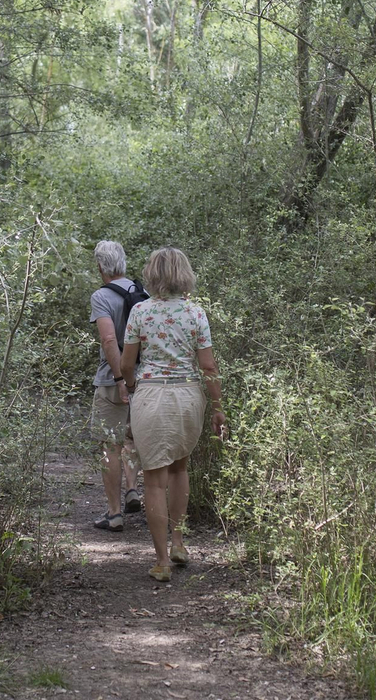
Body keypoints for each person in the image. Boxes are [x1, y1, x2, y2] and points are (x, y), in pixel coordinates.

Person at [119, 247, 225, 581]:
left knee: (153, 477)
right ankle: (179, 543)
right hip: (188, 397)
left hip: (152, 396)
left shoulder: (140, 312)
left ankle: (162, 561)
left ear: (152, 274)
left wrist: (132, 385)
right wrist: (218, 407)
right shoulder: (196, 313)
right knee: (180, 467)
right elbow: (207, 365)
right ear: (184, 274)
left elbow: (126, 363)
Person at [88, 240, 142, 531]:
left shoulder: (101, 296)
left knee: (111, 444)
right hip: (143, 379)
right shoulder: (140, 291)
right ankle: (133, 488)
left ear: (100, 266)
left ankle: (114, 513)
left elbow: (109, 340)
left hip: (113, 380)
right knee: (132, 437)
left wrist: (120, 379)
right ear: (122, 262)